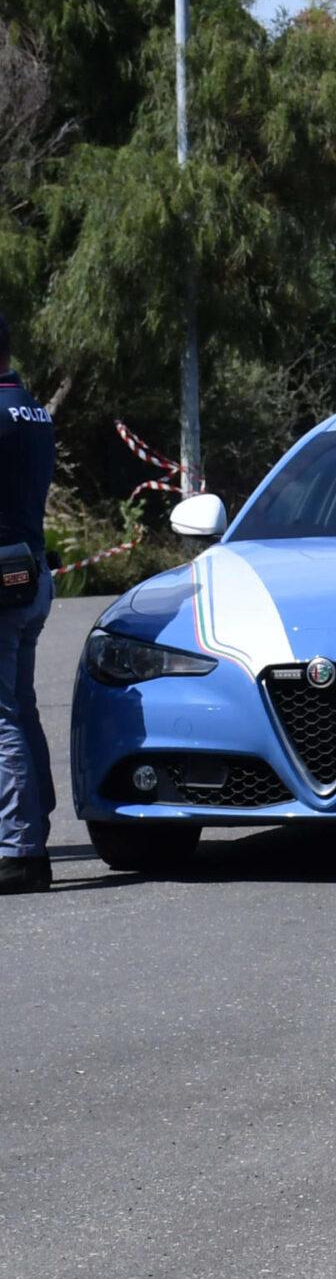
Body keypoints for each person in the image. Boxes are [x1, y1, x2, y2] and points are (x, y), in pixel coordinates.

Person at [0, 306, 54, 893]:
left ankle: (19, 849)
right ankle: (32, 827)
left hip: (5, 581)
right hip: (31, 572)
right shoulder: (31, 408)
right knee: (20, 707)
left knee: (3, 717)